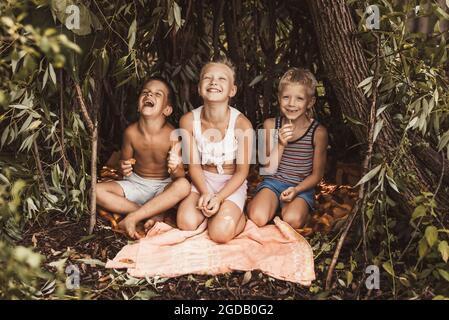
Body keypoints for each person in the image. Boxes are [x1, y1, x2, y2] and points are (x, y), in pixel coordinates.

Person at [96, 77, 190, 239]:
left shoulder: (173, 135)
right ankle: (147, 212)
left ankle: (137, 215)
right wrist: (124, 166)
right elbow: (124, 168)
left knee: (183, 185)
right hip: (136, 184)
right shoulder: (131, 133)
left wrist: (176, 167)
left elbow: (178, 176)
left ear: (167, 110)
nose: (149, 96)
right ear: (139, 106)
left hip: (163, 188)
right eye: (145, 93)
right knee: (95, 191)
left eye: (157, 94)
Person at [176, 57, 253, 243]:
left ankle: (238, 217)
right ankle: (211, 212)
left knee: (220, 234)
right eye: (208, 78)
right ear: (199, 88)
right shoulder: (188, 121)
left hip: (231, 183)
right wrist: (204, 192)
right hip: (203, 180)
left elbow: (242, 172)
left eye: (222, 79)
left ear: (232, 90)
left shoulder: (242, 124)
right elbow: (193, 166)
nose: (214, 82)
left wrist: (219, 198)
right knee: (185, 222)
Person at [247, 67, 328, 229]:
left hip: (300, 187)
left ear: (310, 102)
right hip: (272, 183)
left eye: (299, 98)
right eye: (286, 97)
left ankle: (291, 208)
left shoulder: (318, 132)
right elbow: (267, 170)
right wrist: (281, 143)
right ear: (279, 98)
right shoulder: (270, 125)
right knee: (257, 217)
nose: (291, 104)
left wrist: (297, 190)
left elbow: (317, 175)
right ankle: (258, 204)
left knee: (292, 220)